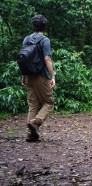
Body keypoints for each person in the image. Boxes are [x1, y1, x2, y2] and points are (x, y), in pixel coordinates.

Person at [22, 14, 55, 142]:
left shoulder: (26, 39)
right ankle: (35, 123)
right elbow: (47, 58)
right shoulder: (44, 40)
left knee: (33, 104)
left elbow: (23, 59)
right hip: (41, 76)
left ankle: (31, 134)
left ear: (33, 26)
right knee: (49, 102)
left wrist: (24, 75)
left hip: (29, 75)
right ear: (44, 26)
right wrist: (52, 76)